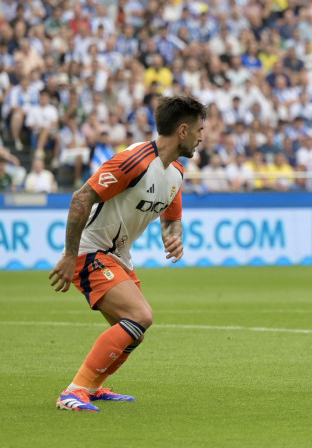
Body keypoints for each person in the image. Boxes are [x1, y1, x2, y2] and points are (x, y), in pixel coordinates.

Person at [48, 95, 207, 412]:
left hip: (117, 256)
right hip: (91, 251)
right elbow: (82, 197)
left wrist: (173, 237)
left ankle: (91, 388)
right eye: (200, 130)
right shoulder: (133, 161)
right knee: (140, 317)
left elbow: (172, 221)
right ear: (183, 130)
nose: (202, 137)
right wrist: (69, 254)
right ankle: (74, 391)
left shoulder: (175, 172)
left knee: (134, 332)